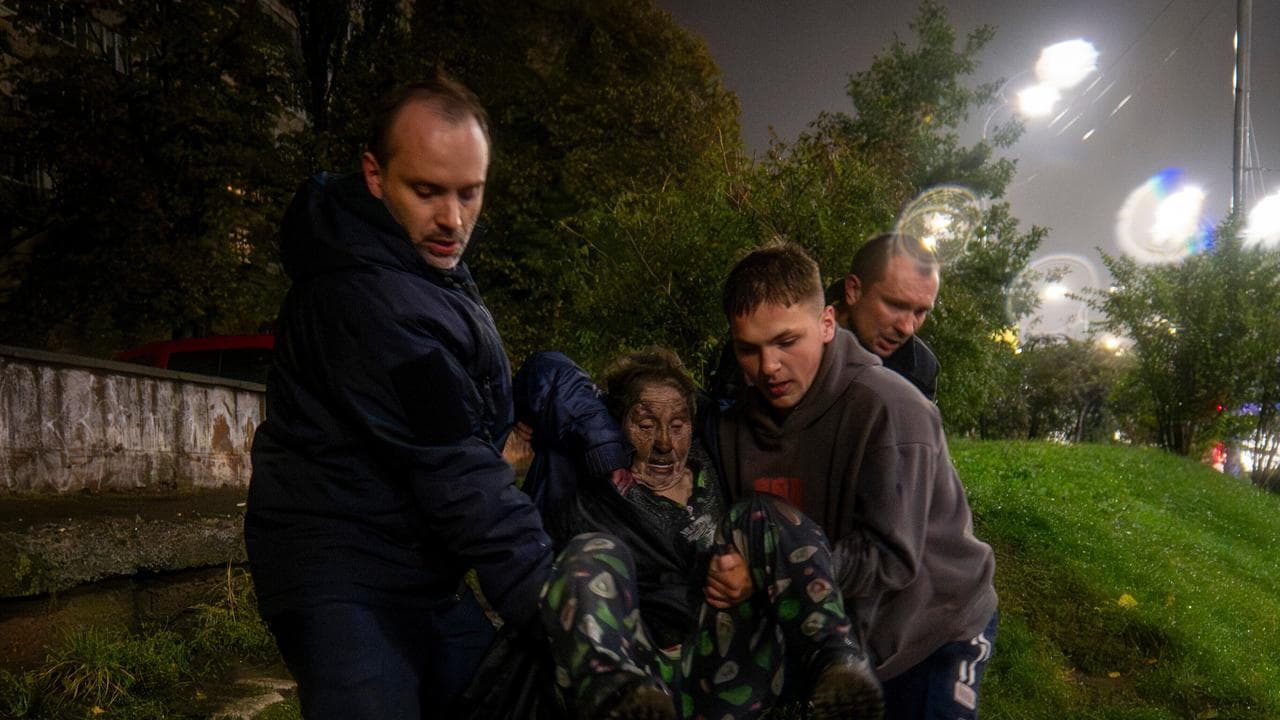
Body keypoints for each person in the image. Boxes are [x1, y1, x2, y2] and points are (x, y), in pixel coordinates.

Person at [243, 75, 552, 718]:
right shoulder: (366, 296)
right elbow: (458, 470)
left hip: (419, 572)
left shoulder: (422, 266)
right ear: (375, 175)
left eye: (471, 192)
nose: (454, 219)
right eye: (427, 191)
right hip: (339, 578)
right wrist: (568, 618)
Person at [515, 349, 883, 720]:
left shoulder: (713, 458)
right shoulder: (595, 491)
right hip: (641, 676)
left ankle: (834, 657)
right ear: (616, 424)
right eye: (645, 424)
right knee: (590, 552)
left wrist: (747, 574)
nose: (664, 442)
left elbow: (749, 358)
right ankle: (614, 694)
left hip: (723, 670)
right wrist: (592, 437)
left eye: (677, 426)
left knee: (764, 510)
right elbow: (546, 370)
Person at [719, 241, 998, 719]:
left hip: (936, 623)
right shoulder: (730, 421)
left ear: (827, 323)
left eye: (786, 342)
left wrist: (770, 572)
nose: (768, 367)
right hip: (833, 627)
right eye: (749, 349)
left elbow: (890, 558)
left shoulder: (895, 408)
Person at [827, 233, 941, 401]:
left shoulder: (922, 371)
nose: (907, 328)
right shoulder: (796, 332)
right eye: (896, 305)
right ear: (853, 290)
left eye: (920, 312)